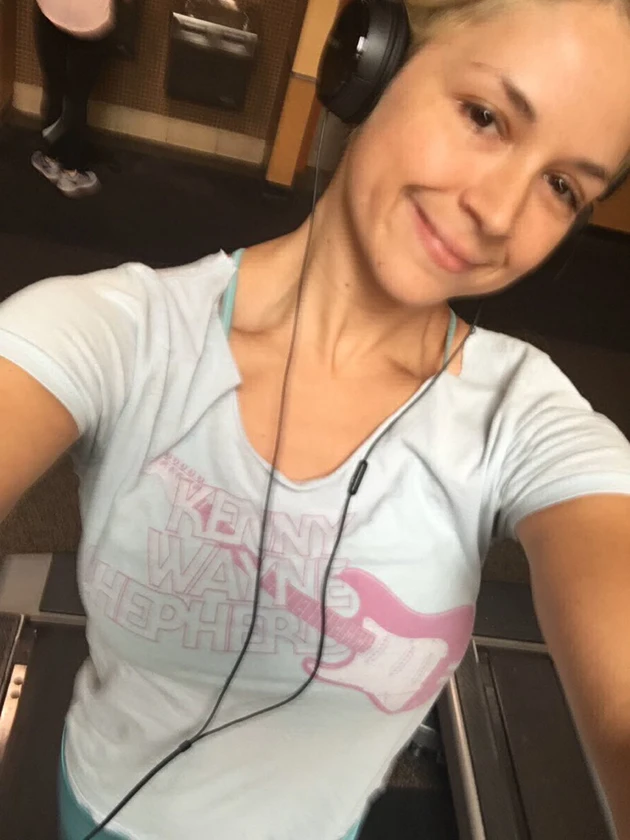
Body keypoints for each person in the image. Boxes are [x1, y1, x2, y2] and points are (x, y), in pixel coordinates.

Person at [1, 0, 630, 836]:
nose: (500, 213)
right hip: (100, 808)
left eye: (561, 186)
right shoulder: (121, 332)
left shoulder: (526, 416)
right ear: (369, 61)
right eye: (484, 116)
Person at [30, 0, 114, 198]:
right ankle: (70, 172)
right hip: (90, 19)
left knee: (54, 84)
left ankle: (51, 159)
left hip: (51, 8)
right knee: (77, 97)